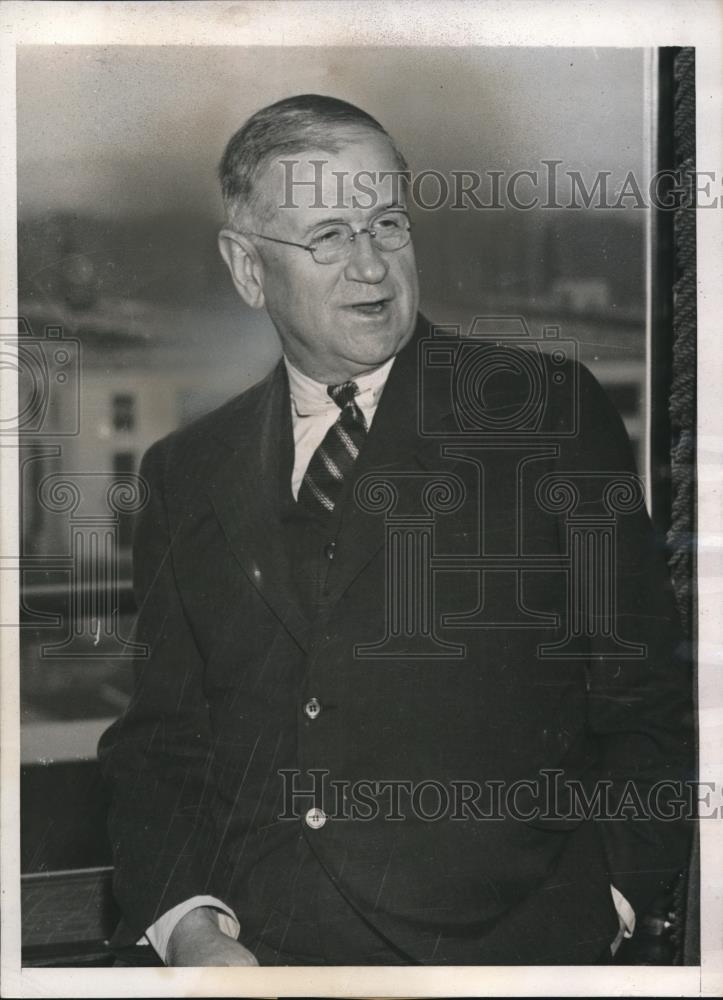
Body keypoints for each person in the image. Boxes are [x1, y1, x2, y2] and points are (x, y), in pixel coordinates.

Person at [98, 94, 693, 967]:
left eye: (387, 224)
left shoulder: (546, 417)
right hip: (264, 958)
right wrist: (189, 927)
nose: (371, 265)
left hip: (507, 957)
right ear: (247, 268)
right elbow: (162, 743)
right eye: (329, 236)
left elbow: (647, 700)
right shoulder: (185, 471)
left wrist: (606, 901)